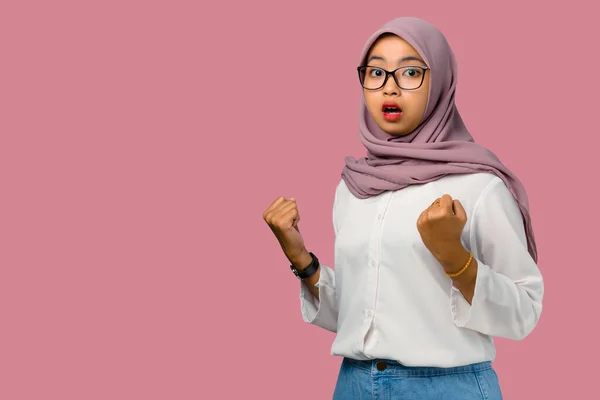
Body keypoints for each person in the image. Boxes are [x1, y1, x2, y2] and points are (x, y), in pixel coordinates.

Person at [263, 16, 543, 399]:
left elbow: (524, 313)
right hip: (354, 384)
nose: (389, 88)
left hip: (447, 388)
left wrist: (457, 261)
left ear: (440, 80)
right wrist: (301, 259)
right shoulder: (353, 188)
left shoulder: (479, 185)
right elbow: (361, 317)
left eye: (410, 72)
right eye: (376, 72)